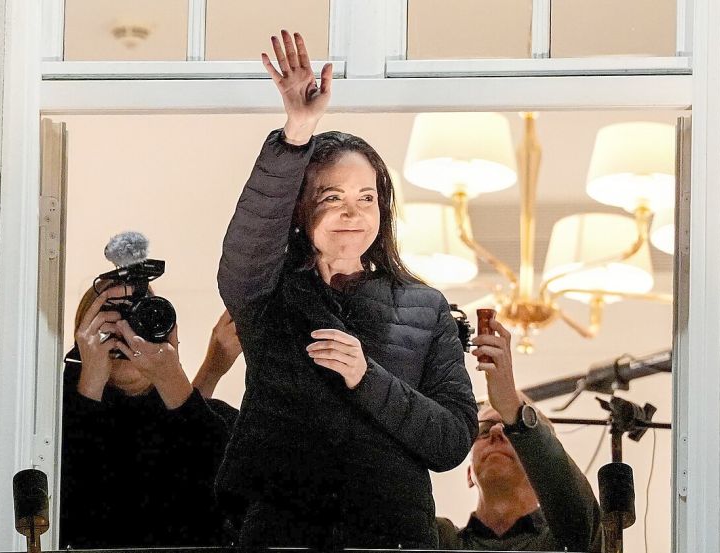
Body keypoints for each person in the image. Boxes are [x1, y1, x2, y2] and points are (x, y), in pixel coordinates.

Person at [216, 30, 478, 549]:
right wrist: (298, 130)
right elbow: (247, 246)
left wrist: (367, 377)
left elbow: (450, 442)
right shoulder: (266, 292)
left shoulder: (426, 308)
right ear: (299, 209)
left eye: (366, 196)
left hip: (391, 538)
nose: (352, 212)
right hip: (280, 534)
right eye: (331, 196)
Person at [58, 285, 241, 550]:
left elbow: (225, 495)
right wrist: (90, 382)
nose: (128, 333)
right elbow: (70, 502)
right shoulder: (46, 419)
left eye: (139, 317)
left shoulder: (206, 418)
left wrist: (172, 377)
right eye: (111, 320)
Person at [436, 318, 603, 552]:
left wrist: (512, 407)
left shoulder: (561, 542)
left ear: (539, 471)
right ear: (469, 475)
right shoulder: (441, 541)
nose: (495, 431)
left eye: (509, 429)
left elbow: (580, 521)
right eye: (484, 430)